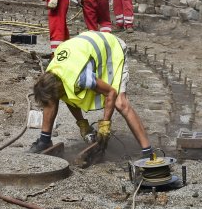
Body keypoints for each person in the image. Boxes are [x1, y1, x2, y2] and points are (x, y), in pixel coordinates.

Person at [29, 31, 153, 159]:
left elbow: (111, 92)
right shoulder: (53, 73)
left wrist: (105, 125)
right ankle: (45, 140)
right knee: (50, 98)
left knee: (121, 103)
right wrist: (82, 124)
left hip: (112, 48)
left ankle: (148, 151)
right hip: (85, 47)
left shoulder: (81, 78)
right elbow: (68, 96)